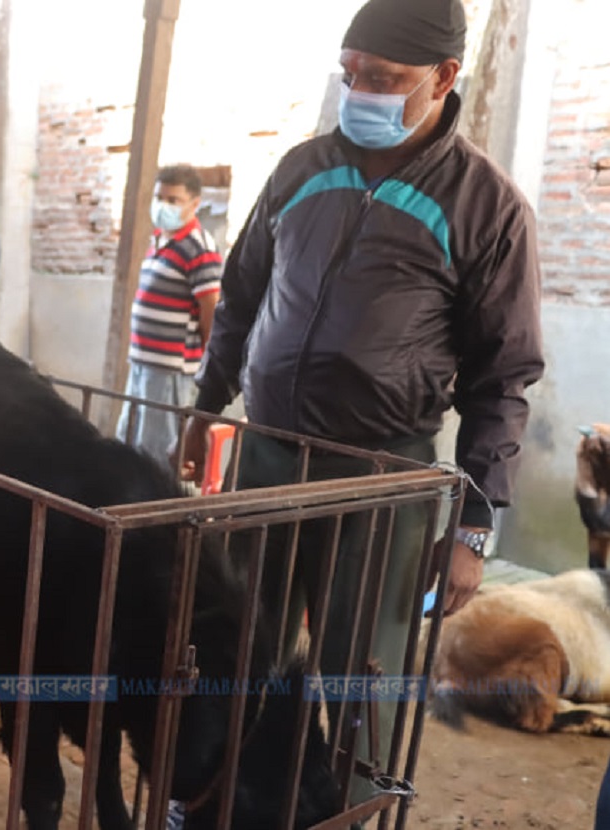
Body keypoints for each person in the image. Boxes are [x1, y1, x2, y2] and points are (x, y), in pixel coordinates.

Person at [175, 0, 543, 810]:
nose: (360, 94)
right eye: (350, 76)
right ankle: (213, 800)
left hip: (382, 478)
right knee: (235, 642)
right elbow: (239, 299)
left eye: (384, 80)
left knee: (359, 674)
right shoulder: (301, 170)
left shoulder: (486, 207)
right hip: (268, 454)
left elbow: (501, 381)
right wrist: (205, 410)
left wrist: (473, 531)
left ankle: (341, 809)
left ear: (444, 78)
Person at [116, 163, 222, 470]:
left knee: (157, 456)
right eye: (159, 197)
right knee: (130, 445)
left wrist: (207, 374)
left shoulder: (199, 248)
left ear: (195, 204)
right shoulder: (160, 241)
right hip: (142, 365)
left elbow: (211, 314)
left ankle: (153, 516)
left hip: (170, 371)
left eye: (173, 200)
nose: (164, 206)